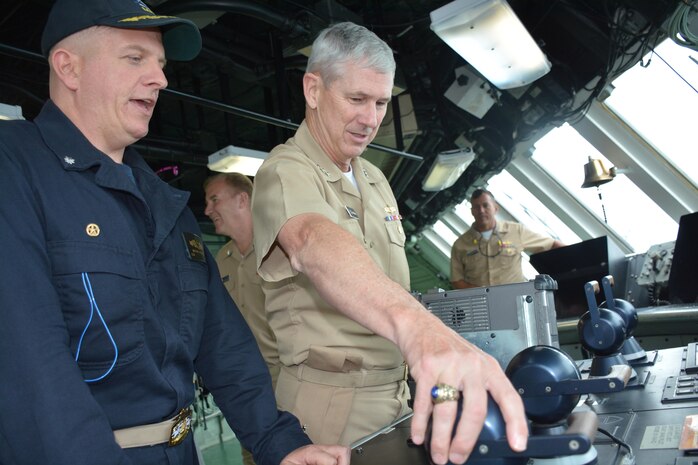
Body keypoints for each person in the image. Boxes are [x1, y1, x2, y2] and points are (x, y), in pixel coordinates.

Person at [0, 1, 348, 464]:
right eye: (134, 58)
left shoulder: (164, 204)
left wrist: (279, 443)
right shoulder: (15, 168)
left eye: (161, 64)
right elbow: (30, 368)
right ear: (69, 67)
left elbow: (224, 345)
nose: (161, 79)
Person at [252, 22, 528, 465]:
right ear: (314, 90)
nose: (371, 119)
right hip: (328, 406)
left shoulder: (374, 178)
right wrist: (419, 329)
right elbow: (314, 242)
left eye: (382, 102)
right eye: (356, 99)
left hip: (396, 389)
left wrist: (441, 370)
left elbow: (387, 283)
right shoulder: (286, 170)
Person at [204, 172, 280, 465]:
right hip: (245, 383)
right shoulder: (220, 260)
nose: (208, 210)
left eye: (214, 199)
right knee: (253, 455)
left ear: (242, 200)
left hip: (288, 377)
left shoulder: (281, 246)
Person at [451, 189, 566, 289]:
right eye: (476, 207)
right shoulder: (460, 245)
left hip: (516, 300)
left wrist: (577, 258)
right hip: (481, 305)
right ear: (471, 211)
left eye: (485, 205)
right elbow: (456, 280)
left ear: (495, 208)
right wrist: (481, 293)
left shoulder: (516, 231)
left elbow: (551, 245)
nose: (481, 210)